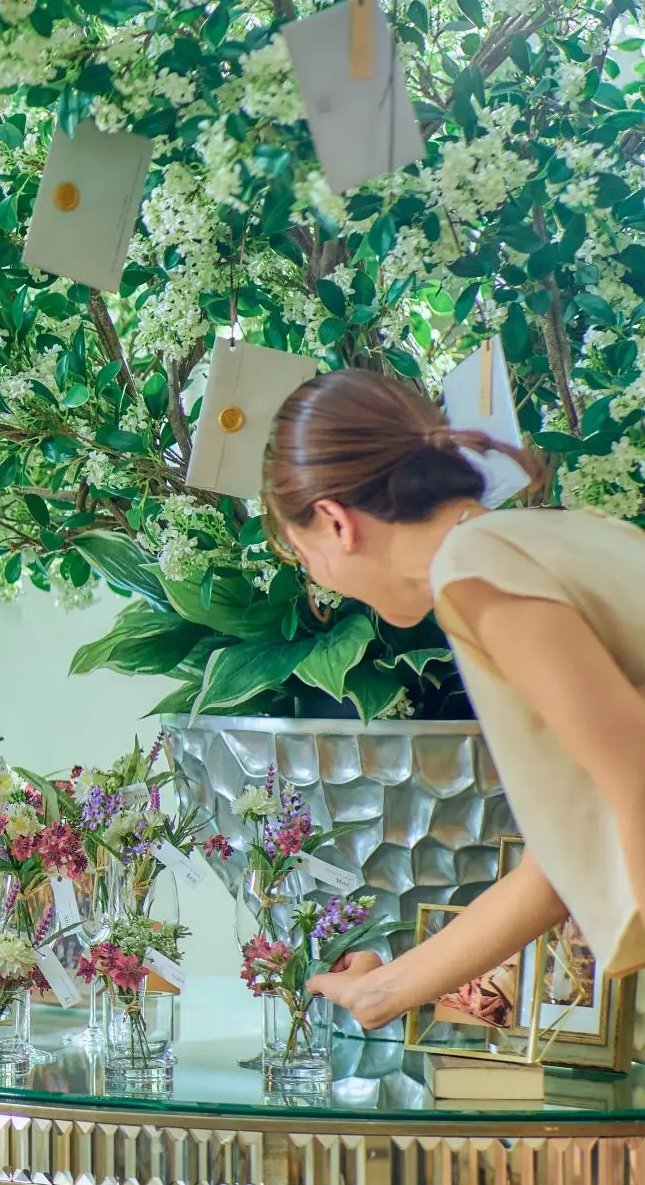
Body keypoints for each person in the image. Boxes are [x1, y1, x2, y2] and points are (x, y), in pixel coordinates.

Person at [258, 369, 645, 1030]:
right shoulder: (536, 540)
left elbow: (638, 772)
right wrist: (385, 991)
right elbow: (569, 853)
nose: (322, 585)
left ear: (333, 521)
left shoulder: (475, 568)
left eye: (303, 557)